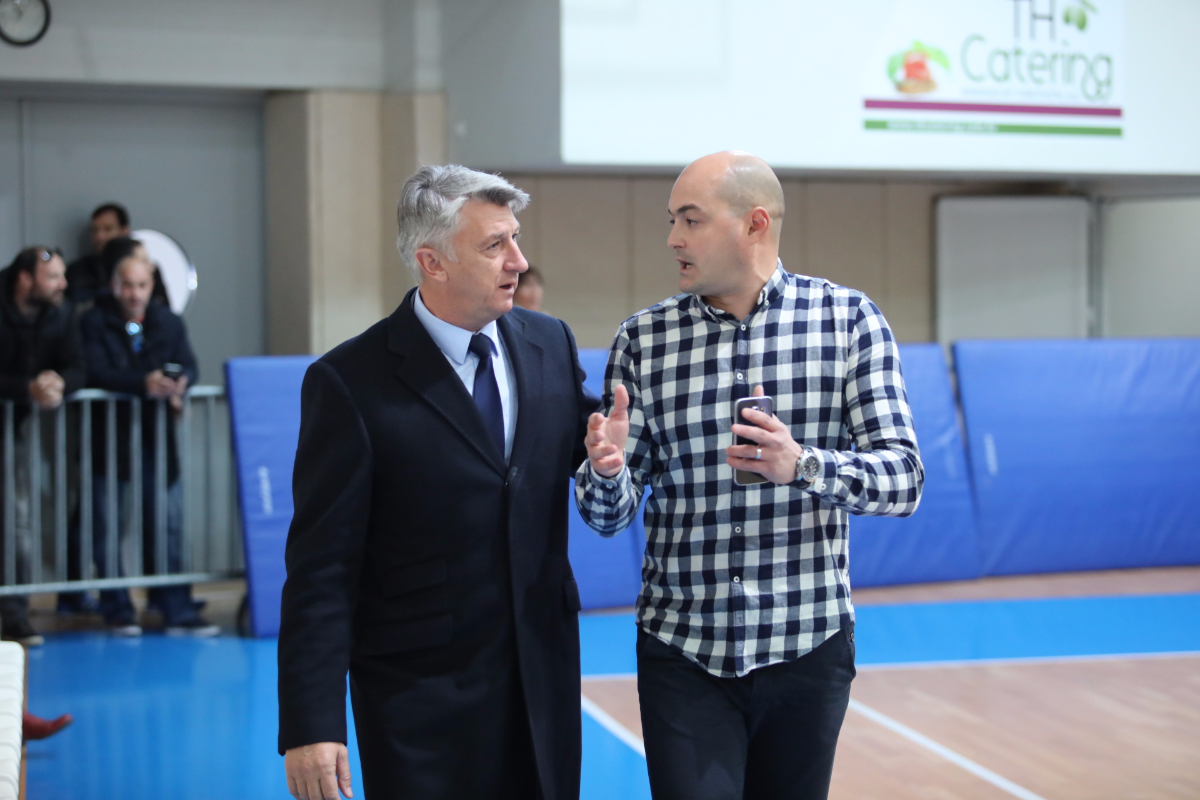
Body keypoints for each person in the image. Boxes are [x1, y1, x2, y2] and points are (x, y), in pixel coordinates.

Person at [577, 152, 924, 800]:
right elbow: (607, 518)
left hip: (808, 645)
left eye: (691, 219)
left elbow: (904, 479)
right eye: (672, 220)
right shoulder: (643, 340)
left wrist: (803, 464)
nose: (673, 238)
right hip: (683, 651)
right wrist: (607, 470)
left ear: (755, 224)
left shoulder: (848, 321)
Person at [278, 165, 599, 800]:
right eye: (495, 245)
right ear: (433, 261)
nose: (518, 261)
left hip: (543, 684)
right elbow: (321, 569)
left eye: (514, 238)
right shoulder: (349, 382)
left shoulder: (550, 343)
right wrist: (312, 724)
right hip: (419, 705)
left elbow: (586, 453)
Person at [78, 255, 217, 637]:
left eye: (141, 285)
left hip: (157, 440)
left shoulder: (168, 322)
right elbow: (92, 371)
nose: (134, 293)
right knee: (107, 528)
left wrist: (180, 383)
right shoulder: (93, 321)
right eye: (127, 285)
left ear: (152, 286)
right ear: (115, 286)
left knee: (168, 525)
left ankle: (176, 608)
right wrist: (143, 383)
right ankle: (118, 609)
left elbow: (189, 364)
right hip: (109, 440)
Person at [0, 247, 85, 647]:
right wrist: (26, 388)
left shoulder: (61, 314)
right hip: (13, 407)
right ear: (25, 280)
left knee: (17, 521)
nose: (62, 284)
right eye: (53, 277)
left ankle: (15, 614)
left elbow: (79, 365)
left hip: (11, 427)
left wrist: (58, 383)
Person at [66, 203, 130, 305]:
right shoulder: (78, 270)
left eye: (107, 229)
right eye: (95, 230)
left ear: (124, 231)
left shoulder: (143, 268)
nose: (99, 237)